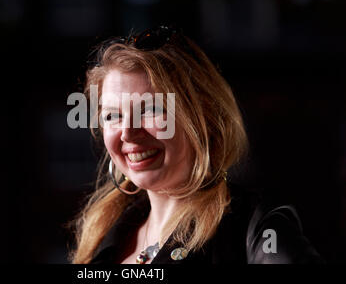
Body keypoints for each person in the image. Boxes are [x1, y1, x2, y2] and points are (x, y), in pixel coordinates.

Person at [68, 25, 323, 264]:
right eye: (113, 115)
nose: (128, 133)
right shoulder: (102, 233)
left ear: (204, 117)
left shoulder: (256, 228)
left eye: (151, 110)